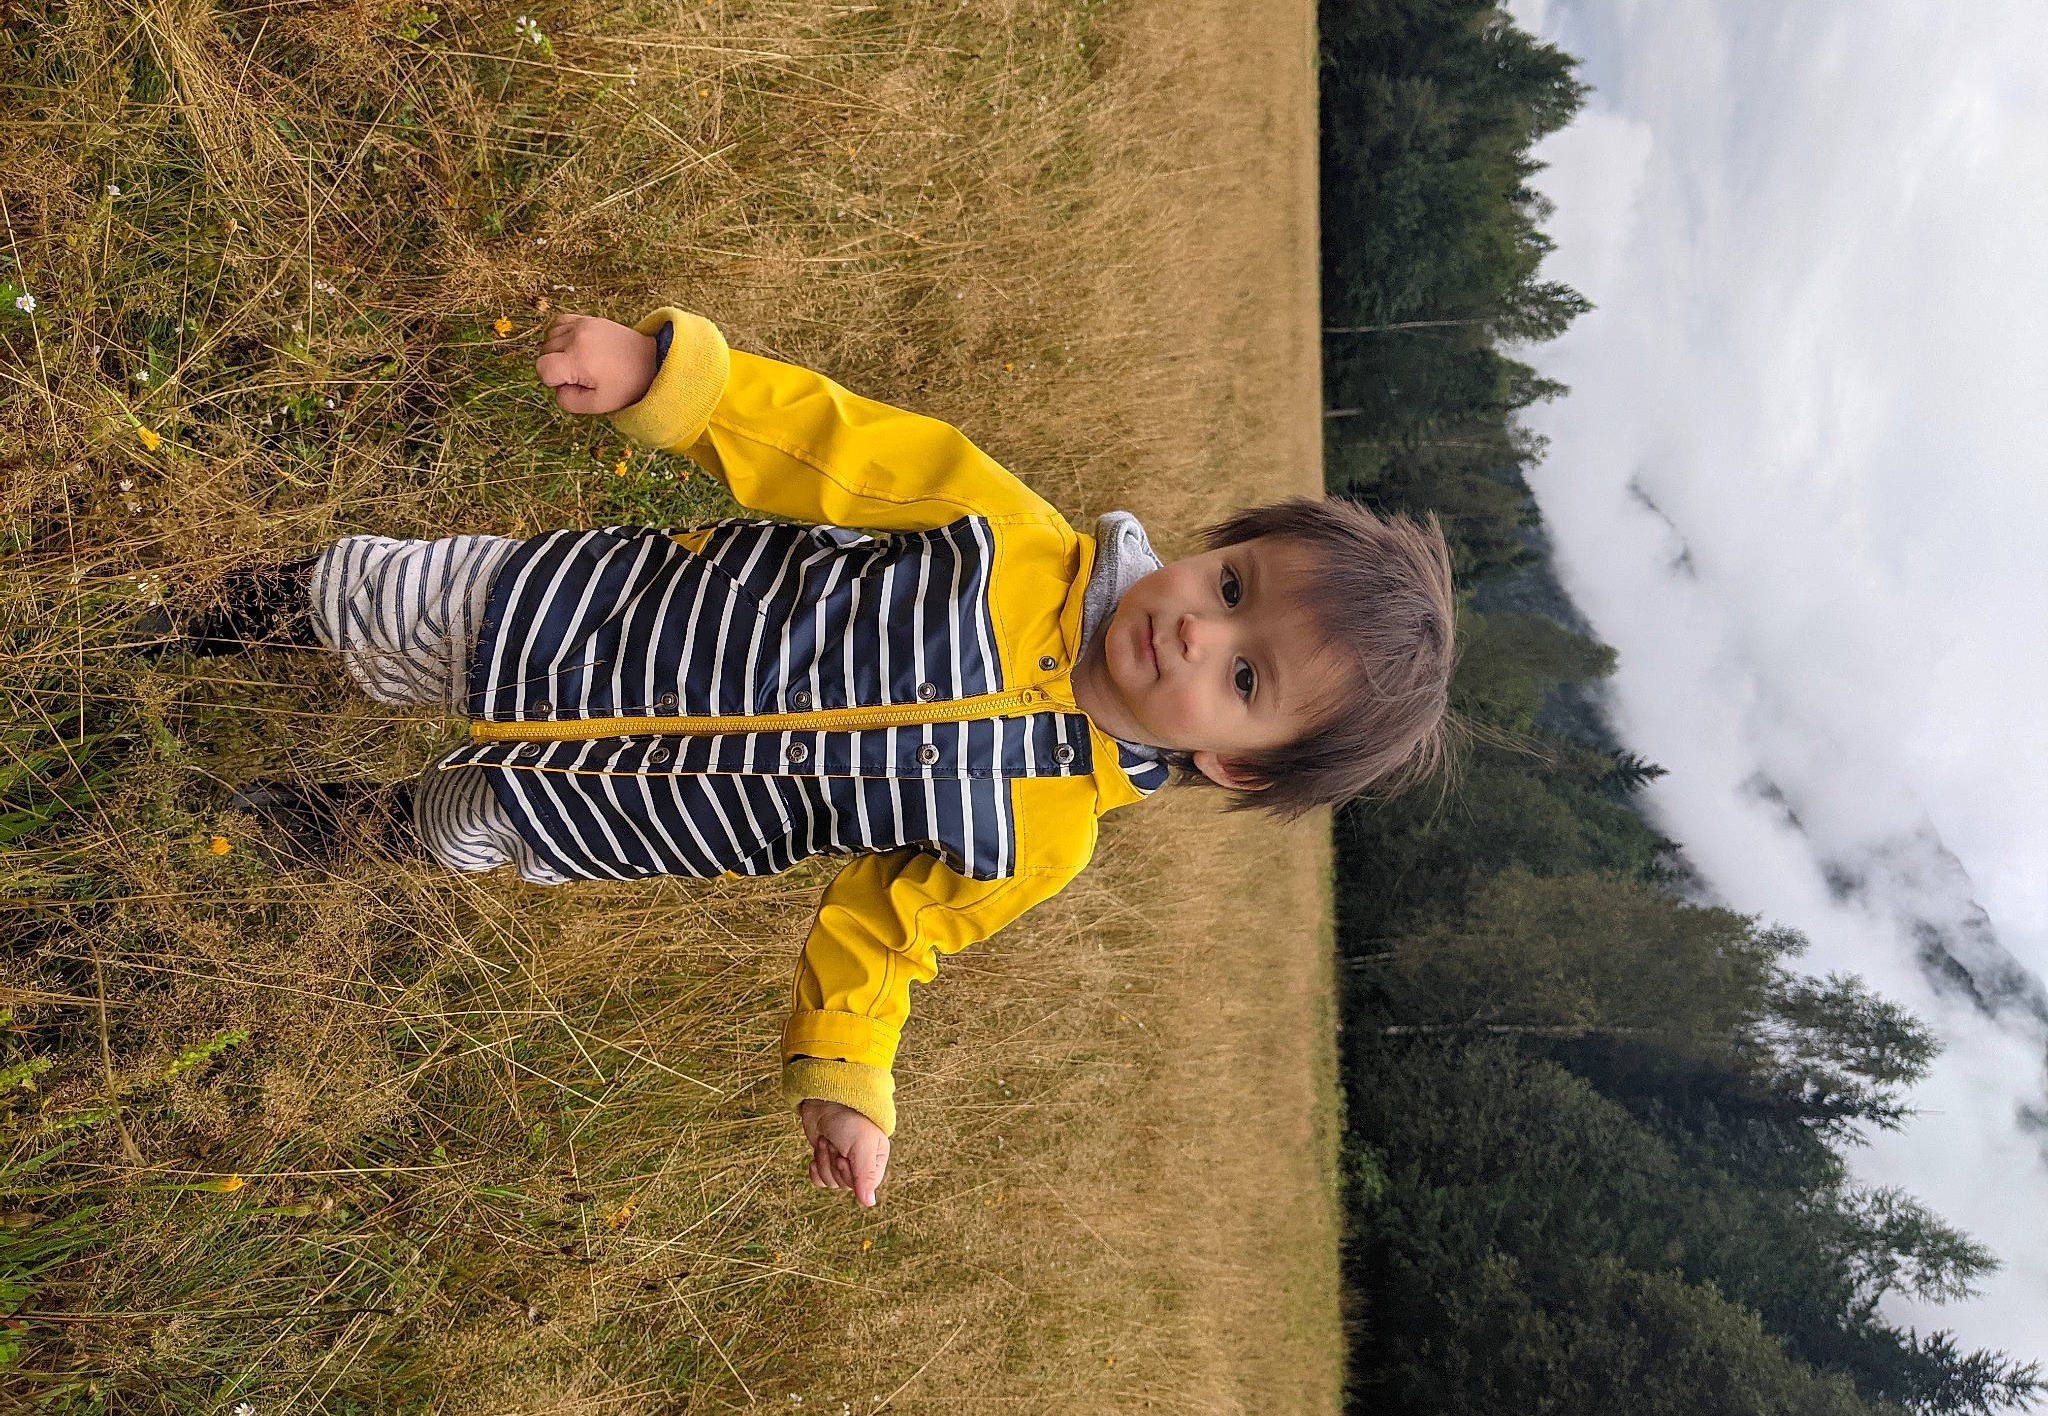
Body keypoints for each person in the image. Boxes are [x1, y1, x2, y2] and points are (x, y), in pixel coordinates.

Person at [156, 309, 1458, 1208]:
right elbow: (824, 443)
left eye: (1242, 676)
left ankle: (329, 825)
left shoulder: (1041, 840)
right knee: (357, 596)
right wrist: (673, 378)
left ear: (1234, 766)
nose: (1193, 625)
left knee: (451, 825)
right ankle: (184, 621)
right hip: (559, 616)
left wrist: (850, 1077)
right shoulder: (999, 534)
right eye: (1230, 581)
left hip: (618, 816)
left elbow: (887, 935)